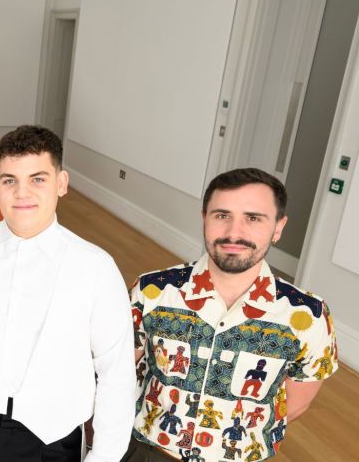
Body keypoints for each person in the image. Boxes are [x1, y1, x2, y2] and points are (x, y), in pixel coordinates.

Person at [0, 125, 136, 462]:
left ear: (61, 183)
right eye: (9, 180)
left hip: (51, 445)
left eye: (38, 178)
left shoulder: (96, 268)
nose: (22, 193)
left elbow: (116, 374)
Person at [123, 168, 337, 461]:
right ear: (204, 219)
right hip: (149, 451)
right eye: (222, 215)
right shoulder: (151, 291)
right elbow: (118, 372)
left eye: (253, 218)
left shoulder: (309, 315)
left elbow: (295, 403)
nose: (234, 233)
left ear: (278, 227)